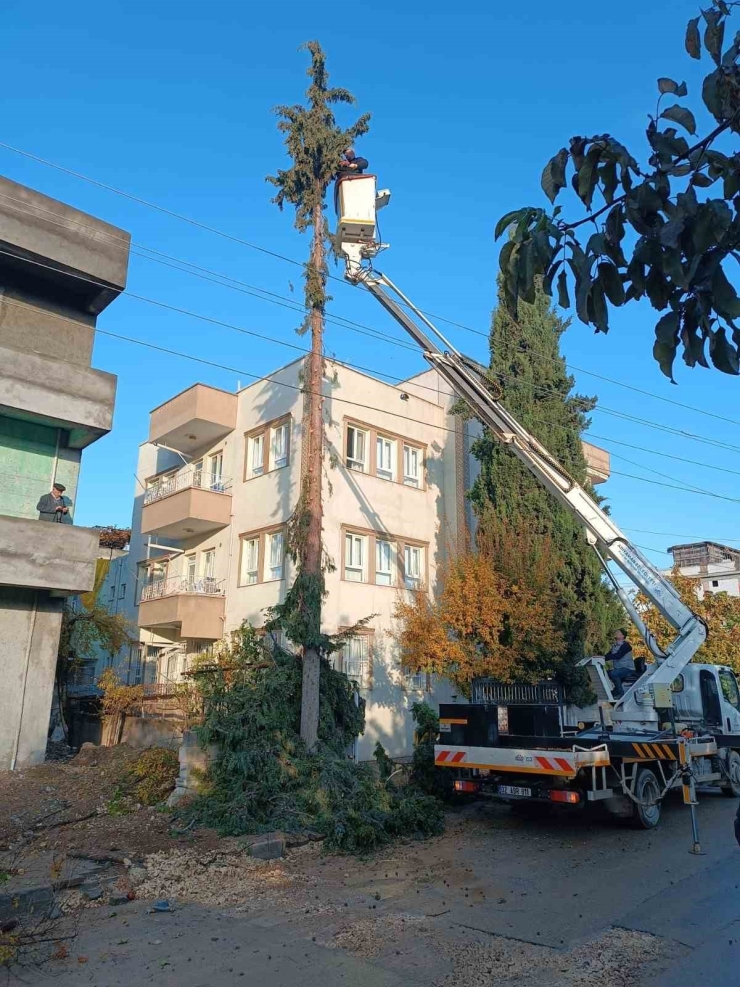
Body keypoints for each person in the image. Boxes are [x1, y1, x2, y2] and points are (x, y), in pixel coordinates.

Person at [606, 629, 635, 698]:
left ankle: (620, 693)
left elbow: (618, 656)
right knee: (605, 673)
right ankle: (615, 690)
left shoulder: (626, 645)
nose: (616, 633)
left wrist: (604, 658)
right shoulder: (615, 646)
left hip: (628, 669)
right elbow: (608, 655)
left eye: (618, 632)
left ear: (622, 636)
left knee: (613, 673)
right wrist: (600, 657)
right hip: (619, 669)